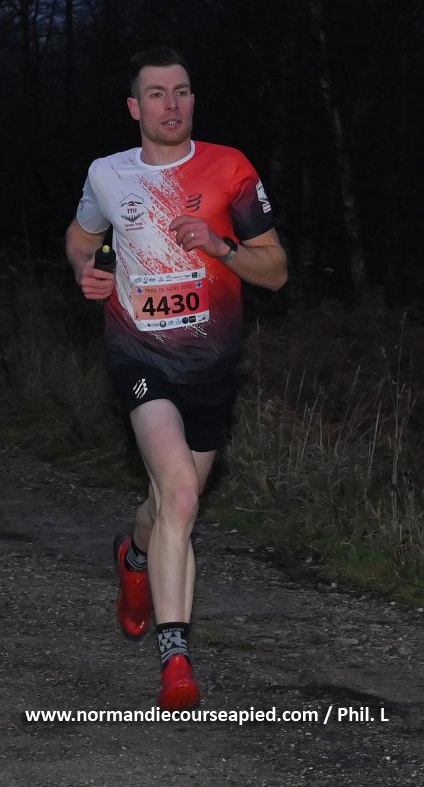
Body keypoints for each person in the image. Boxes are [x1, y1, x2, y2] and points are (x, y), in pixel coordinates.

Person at [66, 46, 287, 711]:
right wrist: (86, 270)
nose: (172, 105)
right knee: (183, 496)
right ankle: (176, 661)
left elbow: (276, 272)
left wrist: (221, 246)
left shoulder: (230, 168)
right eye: (157, 94)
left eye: (182, 91)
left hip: (211, 364)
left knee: (166, 503)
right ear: (135, 107)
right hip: (139, 356)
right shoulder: (108, 174)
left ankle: (134, 560)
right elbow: (82, 236)